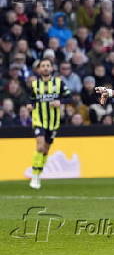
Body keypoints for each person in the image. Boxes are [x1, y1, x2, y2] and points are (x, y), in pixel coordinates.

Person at [27, 58, 72, 189]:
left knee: (46, 150)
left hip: (53, 122)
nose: (45, 68)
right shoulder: (35, 85)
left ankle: (38, 173)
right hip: (39, 120)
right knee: (40, 147)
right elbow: (31, 100)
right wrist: (30, 106)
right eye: (43, 66)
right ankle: (34, 176)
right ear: (39, 69)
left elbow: (70, 98)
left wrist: (60, 102)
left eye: (48, 65)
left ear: (52, 68)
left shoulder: (59, 83)